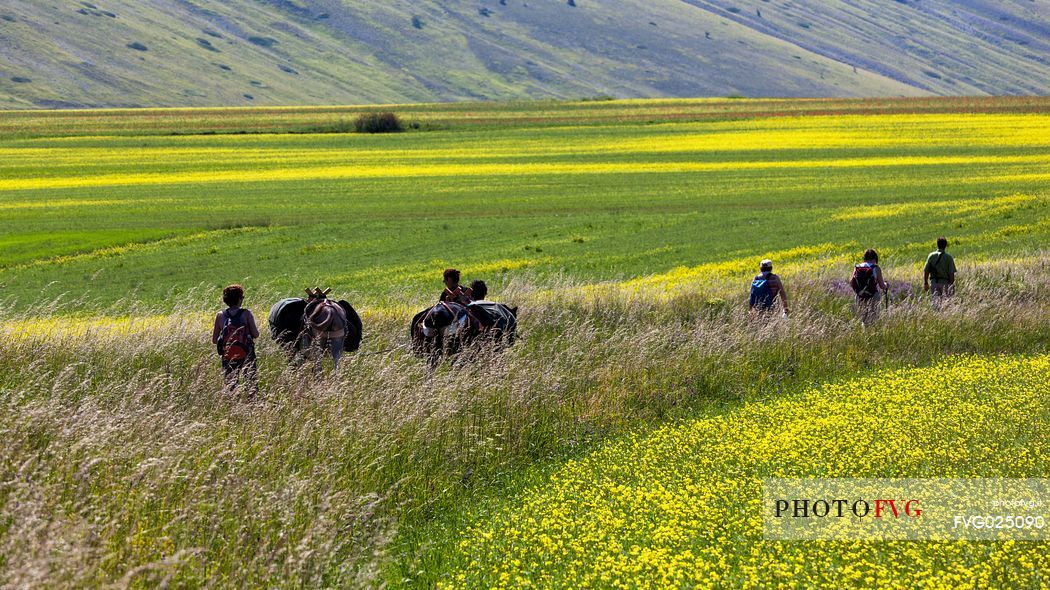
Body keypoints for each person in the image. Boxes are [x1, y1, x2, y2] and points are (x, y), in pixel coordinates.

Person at [212, 284, 260, 396]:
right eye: (242, 297)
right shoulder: (246, 313)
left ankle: (233, 407)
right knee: (251, 383)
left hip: (228, 355)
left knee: (231, 385)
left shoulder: (220, 315)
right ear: (239, 299)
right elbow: (256, 334)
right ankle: (252, 406)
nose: (242, 299)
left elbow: (214, 340)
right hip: (247, 353)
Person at [850, 249, 889, 325]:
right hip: (873, 295)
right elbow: (882, 286)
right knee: (873, 318)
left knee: (863, 319)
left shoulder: (857, 267)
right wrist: (886, 285)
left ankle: (864, 333)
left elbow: (851, 282)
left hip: (860, 295)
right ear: (875, 258)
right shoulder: (876, 268)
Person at [923, 237, 957, 309]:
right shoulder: (948, 257)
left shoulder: (931, 256)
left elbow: (926, 270)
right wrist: (952, 286)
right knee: (946, 305)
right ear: (945, 245)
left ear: (937, 244)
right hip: (945, 284)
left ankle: (937, 317)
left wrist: (926, 283)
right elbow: (951, 274)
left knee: (936, 305)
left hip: (934, 283)